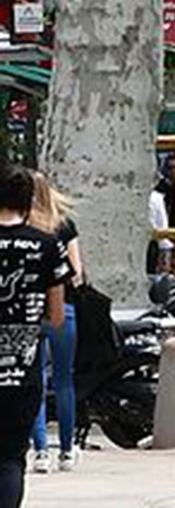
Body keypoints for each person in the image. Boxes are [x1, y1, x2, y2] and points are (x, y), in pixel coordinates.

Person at [0, 165, 76, 508]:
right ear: (28, 201)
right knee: (11, 457)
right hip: (22, 366)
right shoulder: (47, 244)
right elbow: (57, 316)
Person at [21, 178, 76, 475]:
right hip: (63, 310)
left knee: (35, 379)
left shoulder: (23, 227)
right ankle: (66, 451)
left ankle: (40, 450)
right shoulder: (63, 225)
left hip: (30, 309)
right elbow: (76, 273)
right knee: (65, 381)